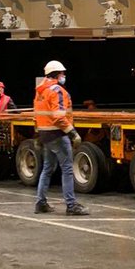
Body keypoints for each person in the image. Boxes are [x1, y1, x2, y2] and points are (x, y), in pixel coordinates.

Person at [33, 59, 89, 217]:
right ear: (56, 74)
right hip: (57, 134)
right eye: (62, 73)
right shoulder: (56, 90)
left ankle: (41, 203)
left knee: (47, 169)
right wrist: (72, 132)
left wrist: (38, 134)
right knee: (67, 169)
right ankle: (71, 205)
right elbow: (58, 116)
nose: (64, 75)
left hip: (45, 135)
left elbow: (37, 115)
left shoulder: (40, 92)